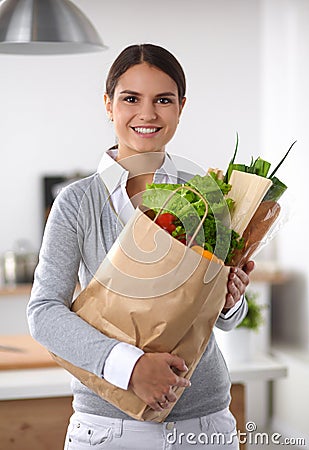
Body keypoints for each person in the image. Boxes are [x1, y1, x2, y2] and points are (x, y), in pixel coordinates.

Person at [27, 43, 255, 450]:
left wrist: (231, 299)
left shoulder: (207, 195)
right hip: (109, 428)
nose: (147, 114)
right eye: (131, 98)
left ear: (181, 107)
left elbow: (222, 321)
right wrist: (129, 368)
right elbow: (44, 313)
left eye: (163, 100)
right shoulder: (78, 201)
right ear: (109, 104)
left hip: (205, 424)